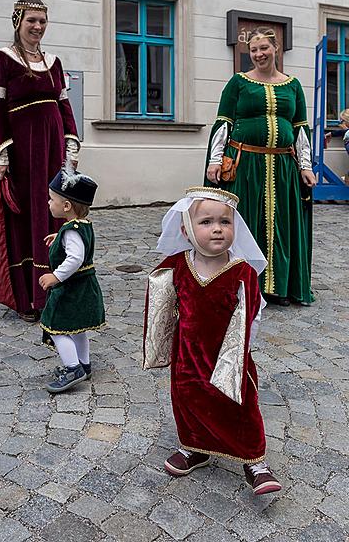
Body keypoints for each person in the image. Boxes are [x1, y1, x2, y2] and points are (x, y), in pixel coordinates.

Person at [144, 186, 282, 495]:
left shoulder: (242, 272)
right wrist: (161, 347)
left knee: (240, 404)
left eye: (225, 221)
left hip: (229, 354)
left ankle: (254, 460)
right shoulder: (177, 265)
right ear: (186, 229)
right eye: (206, 222)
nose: (217, 229)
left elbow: (253, 312)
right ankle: (195, 446)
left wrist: (242, 351)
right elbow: (162, 304)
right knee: (188, 399)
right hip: (188, 355)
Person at [0, 0, 80, 322]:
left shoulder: (54, 62)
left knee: (54, 215)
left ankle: (56, 288)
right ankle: (28, 297)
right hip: (21, 154)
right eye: (31, 21)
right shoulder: (1, 59)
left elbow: (64, 107)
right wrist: (2, 153)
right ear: (17, 22)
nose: (37, 27)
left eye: (42, 21)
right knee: (25, 219)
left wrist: (71, 146)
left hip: (51, 150)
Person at [204, 27, 316, 306]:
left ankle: (279, 287)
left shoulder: (292, 85)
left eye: (263, 48)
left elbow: (300, 129)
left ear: (275, 49)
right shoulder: (238, 83)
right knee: (246, 224)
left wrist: (305, 165)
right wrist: (215, 160)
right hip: (246, 165)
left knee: (282, 225)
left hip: (282, 167)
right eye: (253, 50)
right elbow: (224, 123)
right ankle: (245, 285)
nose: (258, 54)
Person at [39, 165, 105, 393]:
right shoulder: (80, 226)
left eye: (51, 199)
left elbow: (75, 258)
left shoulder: (71, 230)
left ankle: (73, 368)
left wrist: (55, 276)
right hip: (85, 287)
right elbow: (79, 244)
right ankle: (84, 365)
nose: (48, 203)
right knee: (78, 328)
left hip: (73, 289)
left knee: (58, 328)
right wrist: (60, 237)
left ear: (66, 206)